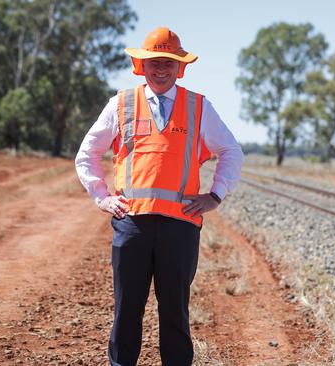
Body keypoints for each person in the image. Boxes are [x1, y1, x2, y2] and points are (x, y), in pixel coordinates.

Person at [75, 26, 243, 366]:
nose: (161, 69)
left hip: (180, 228)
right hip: (131, 224)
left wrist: (216, 195)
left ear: (180, 66)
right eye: (154, 62)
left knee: (175, 315)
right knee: (126, 312)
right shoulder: (121, 103)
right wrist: (102, 197)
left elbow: (232, 152)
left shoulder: (198, 106)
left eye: (168, 62)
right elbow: (87, 153)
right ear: (142, 66)